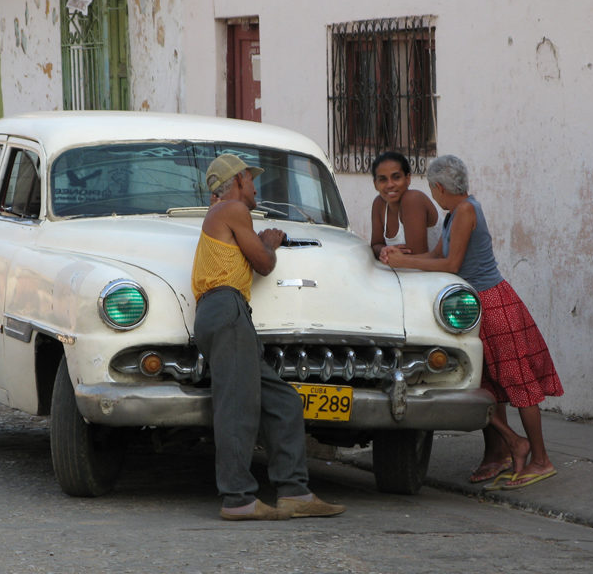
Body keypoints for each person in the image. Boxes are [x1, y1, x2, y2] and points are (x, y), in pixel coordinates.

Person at [381, 154, 563, 490]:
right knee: (483, 385)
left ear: (438, 187)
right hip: (479, 305)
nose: (434, 196)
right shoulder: (456, 213)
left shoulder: (465, 211)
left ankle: (540, 459)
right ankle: (510, 449)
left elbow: (450, 265)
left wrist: (406, 263)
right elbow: (436, 256)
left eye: (433, 190)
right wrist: (400, 259)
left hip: (494, 303)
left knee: (520, 384)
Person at [191, 154, 346, 520]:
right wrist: (270, 243)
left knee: (284, 403)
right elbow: (263, 263)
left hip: (227, 313)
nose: (256, 188)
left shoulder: (221, 215)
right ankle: (237, 498)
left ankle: (295, 492)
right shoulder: (232, 209)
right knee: (237, 408)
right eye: (251, 180)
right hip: (226, 308)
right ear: (238, 181)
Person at [370, 151, 439, 259]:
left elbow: (417, 259)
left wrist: (390, 253)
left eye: (396, 177)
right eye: (383, 179)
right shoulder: (379, 203)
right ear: (375, 184)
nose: (390, 185)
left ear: (408, 179)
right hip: (401, 273)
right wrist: (384, 250)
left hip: (430, 274)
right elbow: (375, 245)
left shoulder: (413, 199)